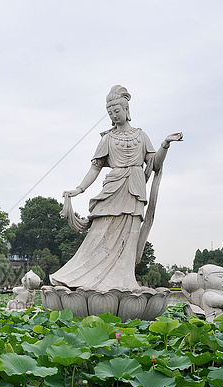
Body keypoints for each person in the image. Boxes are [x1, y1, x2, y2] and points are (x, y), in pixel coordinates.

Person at [51, 85, 182, 292]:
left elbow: (154, 163)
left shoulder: (141, 136)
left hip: (135, 190)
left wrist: (165, 144)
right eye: (110, 112)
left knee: (128, 236)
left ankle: (121, 280)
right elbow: (95, 168)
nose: (113, 115)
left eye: (116, 110)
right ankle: (84, 277)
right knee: (99, 233)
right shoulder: (108, 138)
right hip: (113, 188)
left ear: (126, 109)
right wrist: (79, 189)